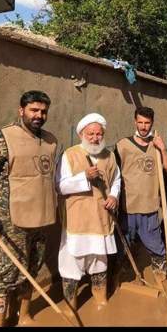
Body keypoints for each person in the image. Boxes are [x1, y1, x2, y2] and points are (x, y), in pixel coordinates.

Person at [0, 91, 57, 326]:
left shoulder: (50, 140)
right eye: (34, 110)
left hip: (42, 216)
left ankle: (24, 315)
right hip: (13, 220)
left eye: (43, 111)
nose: (39, 115)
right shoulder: (2, 138)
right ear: (21, 111)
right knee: (6, 271)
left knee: (32, 267)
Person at [56, 113, 120, 312]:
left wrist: (114, 197)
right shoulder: (70, 154)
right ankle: (70, 307)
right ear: (82, 134)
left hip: (102, 219)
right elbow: (60, 186)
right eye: (90, 134)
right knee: (72, 263)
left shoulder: (109, 156)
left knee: (100, 261)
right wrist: (84, 177)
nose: (95, 138)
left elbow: (117, 180)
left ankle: (101, 300)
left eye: (99, 134)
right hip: (78, 220)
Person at [115, 107, 167, 287]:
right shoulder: (122, 145)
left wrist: (162, 149)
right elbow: (113, 174)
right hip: (127, 207)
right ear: (135, 122)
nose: (143, 126)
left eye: (147, 123)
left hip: (149, 208)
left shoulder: (156, 146)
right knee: (122, 248)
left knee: (157, 248)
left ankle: (162, 280)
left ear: (152, 123)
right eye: (140, 122)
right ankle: (119, 280)